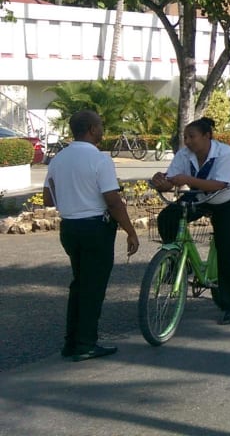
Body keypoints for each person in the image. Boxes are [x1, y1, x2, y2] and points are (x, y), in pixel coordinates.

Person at [44, 110, 140, 361]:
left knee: (79, 285)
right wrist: (130, 231)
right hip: (95, 228)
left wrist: (70, 198)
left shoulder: (58, 159)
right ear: (91, 129)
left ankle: (71, 342)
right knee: (93, 288)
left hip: (70, 228)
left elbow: (47, 196)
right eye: (100, 125)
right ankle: (86, 344)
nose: (102, 129)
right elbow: (113, 201)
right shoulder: (99, 159)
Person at [151, 117, 230, 325]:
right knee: (168, 217)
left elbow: (219, 184)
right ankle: (178, 264)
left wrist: (187, 181)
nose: (188, 141)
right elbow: (172, 179)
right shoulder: (185, 154)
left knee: (226, 251)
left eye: (192, 136)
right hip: (200, 197)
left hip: (226, 201)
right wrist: (160, 182)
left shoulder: (224, 153)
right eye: (185, 137)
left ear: (207, 136)